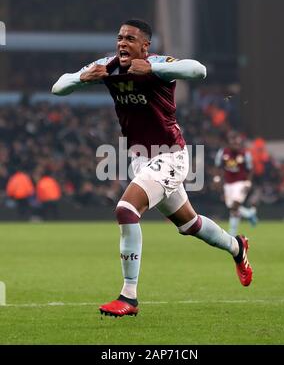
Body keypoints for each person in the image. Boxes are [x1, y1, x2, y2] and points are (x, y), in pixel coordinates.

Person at [52, 19, 253, 318]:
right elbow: (58, 88)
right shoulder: (108, 66)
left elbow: (199, 71)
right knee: (190, 225)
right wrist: (82, 77)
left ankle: (129, 297)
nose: (122, 43)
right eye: (119, 37)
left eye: (130, 39)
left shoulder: (158, 64)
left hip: (171, 156)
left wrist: (155, 69)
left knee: (125, 210)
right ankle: (237, 247)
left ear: (145, 46)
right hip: (141, 160)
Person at [215, 131, 258, 236]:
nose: (236, 145)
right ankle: (249, 214)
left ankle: (232, 233)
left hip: (241, 182)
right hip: (228, 183)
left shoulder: (245, 154)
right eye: (234, 143)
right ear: (229, 143)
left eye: (238, 143)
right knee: (231, 207)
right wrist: (217, 178)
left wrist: (248, 182)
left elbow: (251, 169)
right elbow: (218, 166)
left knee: (234, 206)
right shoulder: (222, 152)